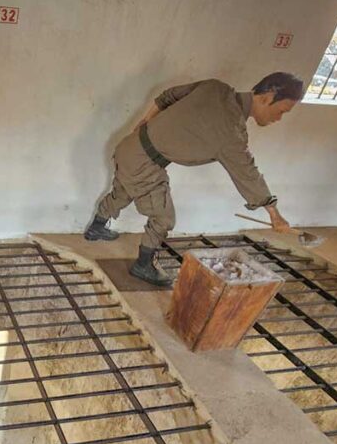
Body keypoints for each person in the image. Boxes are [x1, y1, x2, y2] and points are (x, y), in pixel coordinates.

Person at [85, 73, 303, 287]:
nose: (279, 118)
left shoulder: (215, 87)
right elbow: (249, 175)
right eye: (282, 111)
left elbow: (168, 96)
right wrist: (274, 214)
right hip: (145, 164)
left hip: (130, 147)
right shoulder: (232, 133)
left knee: (122, 192)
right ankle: (143, 265)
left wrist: (147, 120)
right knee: (164, 218)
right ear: (266, 97)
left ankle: (96, 227)